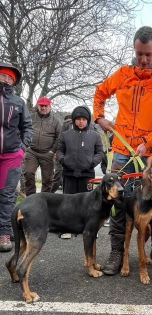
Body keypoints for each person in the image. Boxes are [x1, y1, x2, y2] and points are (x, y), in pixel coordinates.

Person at [93, 26, 152, 275]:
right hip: (121, 151)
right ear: (134, 49)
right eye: (139, 53)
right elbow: (99, 93)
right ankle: (116, 253)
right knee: (118, 202)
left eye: (148, 55)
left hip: (151, 156)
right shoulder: (122, 74)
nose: (143, 59)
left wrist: (148, 143)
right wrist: (99, 117)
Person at [0, 61, 33, 252]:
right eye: (2, 75)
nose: (5, 79)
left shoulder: (19, 102)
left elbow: (27, 127)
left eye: (9, 77)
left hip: (12, 154)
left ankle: (4, 232)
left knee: (7, 195)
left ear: (13, 81)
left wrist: (22, 147)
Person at [56, 106, 104, 195]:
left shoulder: (95, 135)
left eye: (84, 119)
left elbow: (100, 152)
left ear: (88, 120)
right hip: (69, 174)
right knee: (68, 203)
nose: (81, 121)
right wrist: (63, 160)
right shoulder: (65, 135)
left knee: (85, 204)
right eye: (78, 119)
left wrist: (92, 162)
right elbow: (59, 150)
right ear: (74, 120)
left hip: (87, 175)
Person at [24, 97, 62, 196]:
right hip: (31, 151)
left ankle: (44, 201)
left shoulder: (56, 121)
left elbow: (60, 137)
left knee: (47, 180)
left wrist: (53, 151)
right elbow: (23, 130)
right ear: (38, 106)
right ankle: (30, 199)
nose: (43, 108)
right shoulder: (31, 117)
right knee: (28, 173)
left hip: (47, 153)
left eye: (46, 106)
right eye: (41, 106)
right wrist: (26, 145)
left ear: (49, 106)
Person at [51, 115, 72, 193]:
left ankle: (64, 191)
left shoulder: (70, 128)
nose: (68, 124)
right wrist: (55, 151)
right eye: (67, 122)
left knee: (61, 174)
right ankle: (51, 192)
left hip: (66, 155)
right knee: (58, 174)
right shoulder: (61, 127)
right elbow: (58, 140)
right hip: (60, 154)